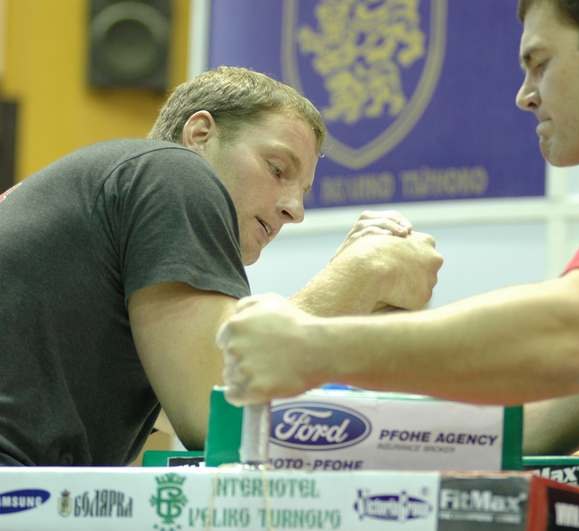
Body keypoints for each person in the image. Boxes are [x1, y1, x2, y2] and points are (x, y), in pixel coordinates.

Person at [216, 1, 579, 529]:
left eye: (539, 62)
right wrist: (334, 434)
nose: (525, 93)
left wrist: (314, 348)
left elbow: (571, 336)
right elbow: (538, 415)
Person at [0, 66, 443, 466]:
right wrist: (364, 273)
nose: (295, 209)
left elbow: (222, 400)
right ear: (199, 135)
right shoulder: (173, 171)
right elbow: (217, 416)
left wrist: (353, 323)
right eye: (277, 169)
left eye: (304, 191)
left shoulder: (108, 214)